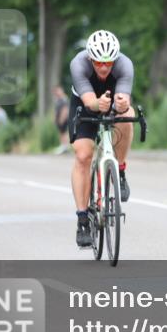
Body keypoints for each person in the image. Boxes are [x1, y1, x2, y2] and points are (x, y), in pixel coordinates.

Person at [68, 30, 137, 248]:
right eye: (98, 62)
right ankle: (82, 220)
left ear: (115, 58)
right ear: (90, 58)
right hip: (84, 104)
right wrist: (98, 104)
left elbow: (123, 99)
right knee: (83, 155)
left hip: (112, 103)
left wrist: (121, 105)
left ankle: (121, 170)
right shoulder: (78, 64)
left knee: (128, 116)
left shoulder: (125, 65)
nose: (104, 67)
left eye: (109, 62)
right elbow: (90, 102)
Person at [52, 85, 70, 154]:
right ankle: (63, 145)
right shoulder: (57, 99)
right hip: (58, 119)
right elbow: (56, 110)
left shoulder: (64, 99)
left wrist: (62, 119)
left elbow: (65, 109)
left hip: (63, 119)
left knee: (64, 132)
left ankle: (65, 147)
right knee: (61, 132)